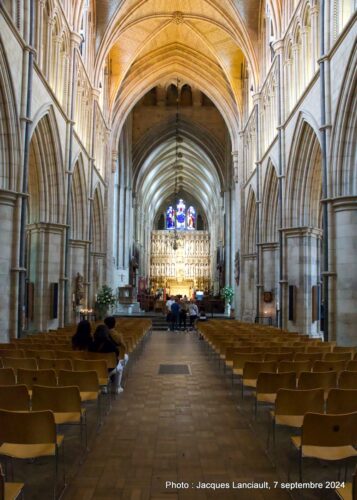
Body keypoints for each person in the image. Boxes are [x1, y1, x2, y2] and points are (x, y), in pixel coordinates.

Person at [90, 324, 123, 394]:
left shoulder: (92, 345)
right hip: (109, 368)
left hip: (95, 368)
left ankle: (104, 387)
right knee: (120, 367)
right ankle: (117, 387)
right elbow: (116, 354)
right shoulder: (110, 344)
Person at [104, 316, 129, 390]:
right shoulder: (117, 335)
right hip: (113, 360)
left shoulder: (100, 335)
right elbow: (123, 346)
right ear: (114, 324)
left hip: (99, 363)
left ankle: (104, 384)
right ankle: (117, 386)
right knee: (125, 358)